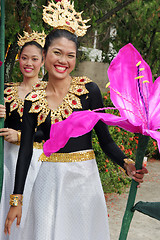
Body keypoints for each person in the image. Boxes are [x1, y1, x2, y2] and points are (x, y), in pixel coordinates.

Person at [4, 1, 148, 239]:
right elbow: (26, 151)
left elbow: (105, 140)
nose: (63, 61)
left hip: (83, 181)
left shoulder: (88, 91)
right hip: (47, 181)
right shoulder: (33, 100)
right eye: (57, 53)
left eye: (70, 55)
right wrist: (16, 200)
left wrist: (127, 163)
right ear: (45, 54)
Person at [0, 31, 46, 239]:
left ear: (43, 61)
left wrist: (19, 137)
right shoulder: (6, 90)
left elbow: (49, 131)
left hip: (35, 159)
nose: (29, 63)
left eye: (34, 59)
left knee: (29, 211)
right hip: (7, 159)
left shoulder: (48, 93)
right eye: (24, 57)